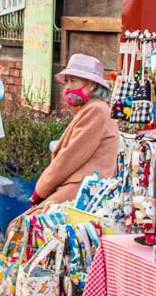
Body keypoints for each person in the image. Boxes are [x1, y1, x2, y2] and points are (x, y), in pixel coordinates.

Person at [31, 54, 121, 205]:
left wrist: (40, 190)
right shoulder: (92, 108)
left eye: (73, 81)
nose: (67, 87)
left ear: (92, 85)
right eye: (66, 81)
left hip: (81, 190)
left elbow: (70, 157)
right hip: (80, 188)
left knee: (29, 219)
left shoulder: (96, 110)